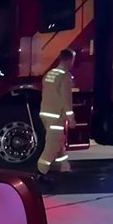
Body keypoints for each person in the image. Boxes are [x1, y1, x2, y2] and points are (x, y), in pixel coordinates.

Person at [37, 48, 77, 181]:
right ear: (69, 60)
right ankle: (41, 171)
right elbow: (66, 99)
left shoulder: (50, 73)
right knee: (52, 145)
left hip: (45, 113)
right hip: (56, 115)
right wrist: (71, 118)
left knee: (59, 142)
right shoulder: (64, 76)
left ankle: (64, 167)